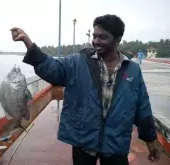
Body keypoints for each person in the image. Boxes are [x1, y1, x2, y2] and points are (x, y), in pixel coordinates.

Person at [10, 14, 160, 165]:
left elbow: (142, 106)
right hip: (84, 141)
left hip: (116, 143)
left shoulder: (132, 70)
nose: (96, 41)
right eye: (94, 36)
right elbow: (52, 69)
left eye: (103, 37)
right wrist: (27, 42)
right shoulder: (78, 62)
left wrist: (150, 138)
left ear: (117, 39)